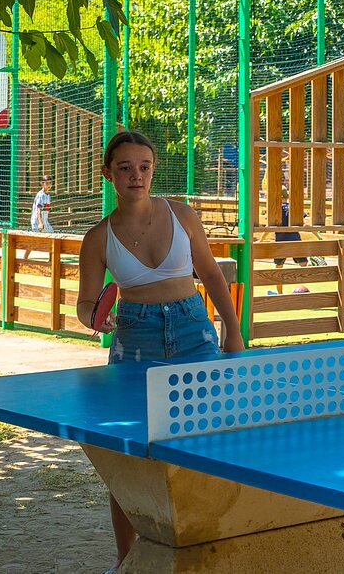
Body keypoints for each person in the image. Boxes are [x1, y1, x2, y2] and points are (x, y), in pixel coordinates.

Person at [75, 131, 245, 573]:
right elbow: (85, 303)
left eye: (145, 167)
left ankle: (207, 544)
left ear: (153, 170)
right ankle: (126, 558)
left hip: (193, 329)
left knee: (210, 438)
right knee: (129, 455)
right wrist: (95, 317)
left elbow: (210, 273)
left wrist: (233, 331)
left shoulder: (183, 215)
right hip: (135, 339)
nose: (137, 176)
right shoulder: (98, 238)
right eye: (126, 168)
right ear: (108, 173)